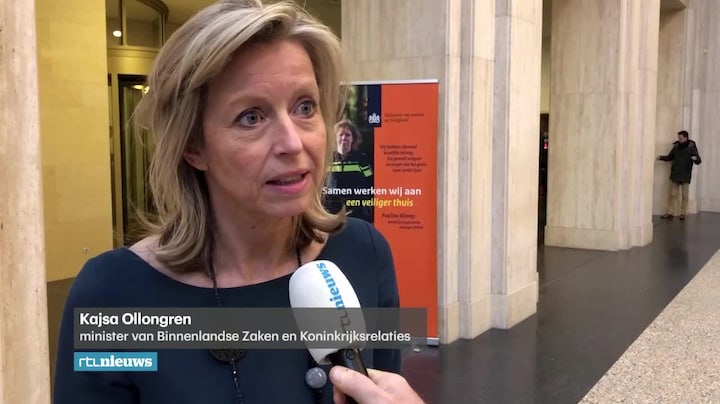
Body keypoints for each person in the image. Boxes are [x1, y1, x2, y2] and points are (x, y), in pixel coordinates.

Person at [53, 1, 423, 403]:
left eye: (305, 107)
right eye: (251, 117)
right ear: (194, 146)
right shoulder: (111, 295)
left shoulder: (364, 253)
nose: (293, 142)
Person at [324, 119, 375, 223]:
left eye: (347, 135)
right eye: (340, 135)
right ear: (335, 138)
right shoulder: (327, 159)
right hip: (331, 214)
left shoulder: (361, 159)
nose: (344, 138)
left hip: (357, 214)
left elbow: (370, 184)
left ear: (353, 139)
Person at [657, 130, 702, 220]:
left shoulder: (692, 147)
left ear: (686, 138)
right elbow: (670, 157)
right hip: (676, 173)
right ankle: (669, 212)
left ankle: (683, 213)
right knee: (672, 194)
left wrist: (695, 159)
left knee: (685, 196)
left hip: (685, 173)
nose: (679, 139)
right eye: (678, 138)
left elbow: (698, 161)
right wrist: (661, 157)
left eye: (680, 138)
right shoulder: (676, 146)